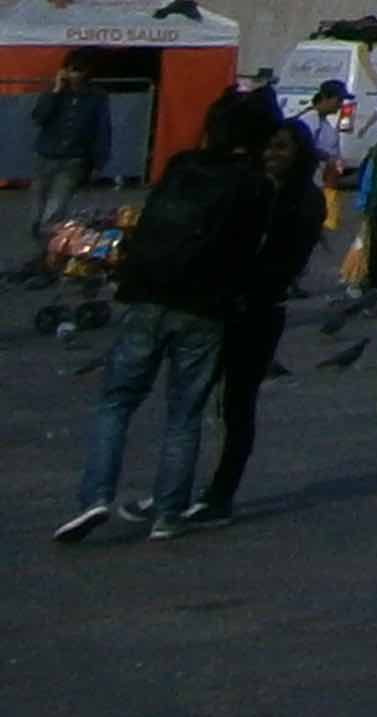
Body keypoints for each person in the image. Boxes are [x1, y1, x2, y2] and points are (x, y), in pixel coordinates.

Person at [56, 89, 266, 545]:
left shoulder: (182, 165)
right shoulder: (254, 183)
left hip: (149, 296)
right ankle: (168, 513)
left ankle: (95, 495)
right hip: (206, 309)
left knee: (117, 401)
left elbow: (150, 223)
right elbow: (248, 252)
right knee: (184, 414)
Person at [192, 95, 330, 524]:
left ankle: (221, 493)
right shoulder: (247, 185)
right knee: (193, 399)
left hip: (259, 310)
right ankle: (177, 487)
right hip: (219, 305)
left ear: (298, 154)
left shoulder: (304, 199)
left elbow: (283, 259)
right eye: (268, 147)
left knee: (237, 404)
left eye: (282, 148)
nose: (272, 155)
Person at [27, 58, 109, 273]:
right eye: (70, 70)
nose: (73, 75)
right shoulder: (55, 93)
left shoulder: (96, 97)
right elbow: (38, 117)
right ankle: (43, 253)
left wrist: (99, 161)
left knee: (53, 212)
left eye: (78, 70)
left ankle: (48, 260)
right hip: (45, 157)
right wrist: (55, 91)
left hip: (73, 160)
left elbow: (102, 129)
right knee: (36, 213)